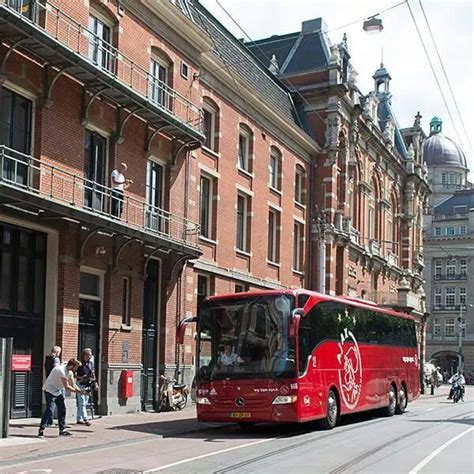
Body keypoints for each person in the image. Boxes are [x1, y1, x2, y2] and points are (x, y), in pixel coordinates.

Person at [38, 358, 85, 438]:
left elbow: (73, 384)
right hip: (49, 390)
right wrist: (79, 392)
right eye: (76, 367)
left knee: (62, 409)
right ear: (72, 366)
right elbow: (67, 386)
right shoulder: (61, 370)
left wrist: (80, 391)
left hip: (58, 391)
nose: (77, 369)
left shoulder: (70, 372)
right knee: (50, 409)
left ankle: (62, 430)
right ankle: (41, 430)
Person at [76, 348, 98, 426]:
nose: (89, 357)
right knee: (82, 402)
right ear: (84, 355)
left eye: (90, 355)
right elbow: (74, 375)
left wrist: (95, 383)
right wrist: (81, 377)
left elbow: (93, 373)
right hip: (80, 384)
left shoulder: (91, 363)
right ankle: (86, 419)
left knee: (84, 402)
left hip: (87, 384)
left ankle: (79, 418)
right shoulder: (79, 364)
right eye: (88, 355)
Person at [44, 346, 62, 427]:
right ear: (58, 352)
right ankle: (51, 421)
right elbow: (56, 369)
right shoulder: (56, 359)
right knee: (54, 404)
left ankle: (49, 420)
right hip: (55, 383)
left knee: (49, 404)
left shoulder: (47, 358)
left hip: (48, 381)